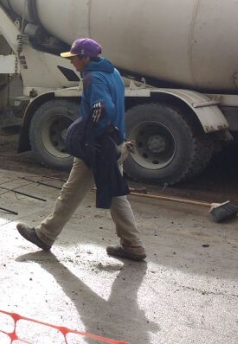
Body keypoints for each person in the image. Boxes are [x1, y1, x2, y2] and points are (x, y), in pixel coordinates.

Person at [16, 38, 146, 261]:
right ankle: (133, 245)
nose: (72, 61)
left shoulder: (92, 78)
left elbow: (102, 107)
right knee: (116, 194)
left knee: (71, 192)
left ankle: (45, 235)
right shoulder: (111, 72)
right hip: (116, 143)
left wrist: (89, 130)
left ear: (86, 57)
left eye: (75, 58)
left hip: (98, 146)